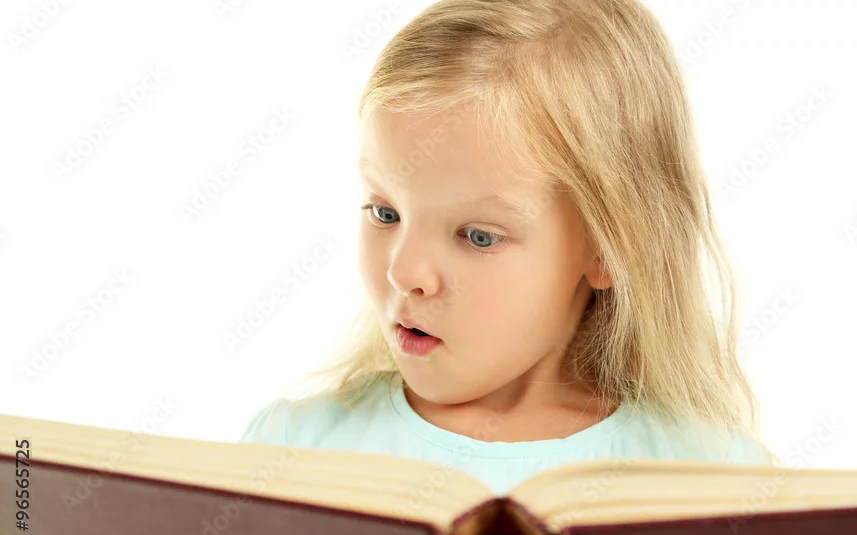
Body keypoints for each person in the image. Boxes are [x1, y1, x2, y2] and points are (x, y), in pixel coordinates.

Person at [241, 0, 778, 495]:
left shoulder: (714, 479)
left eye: (478, 236)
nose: (404, 272)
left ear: (608, 248)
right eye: (385, 214)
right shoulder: (292, 453)